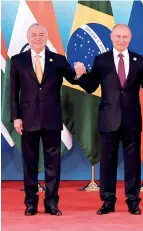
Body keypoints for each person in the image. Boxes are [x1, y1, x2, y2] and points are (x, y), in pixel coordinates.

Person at [76, 24, 143, 215]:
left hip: (132, 119)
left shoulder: (140, 60)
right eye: (118, 36)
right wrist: (81, 76)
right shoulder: (101, 60)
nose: (121, 40)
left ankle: (133, 200)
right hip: (108, 118)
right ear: (111, 37)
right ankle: (108, 201)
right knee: (107, 162)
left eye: (125, 37)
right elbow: (91, 87)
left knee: (132, 162)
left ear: (130, 38)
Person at [10, 23, 85, 216]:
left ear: (46, 37)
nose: (37, 38)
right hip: (27, 119)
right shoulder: (18, 61)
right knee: (30, 163)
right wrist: (15, 117)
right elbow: (12, 92)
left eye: (41, 34)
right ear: (28, 37)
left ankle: (52, 203)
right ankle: (30, 203)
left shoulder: (58, 60)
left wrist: (79, 72)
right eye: (33, 35)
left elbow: (73, 79)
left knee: (53, 164)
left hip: (52, 118)